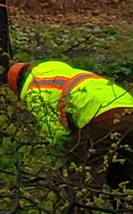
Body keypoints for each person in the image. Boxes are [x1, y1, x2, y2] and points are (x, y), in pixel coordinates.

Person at [7, 56, 133, 186]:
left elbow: (56, 133)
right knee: (123, 173)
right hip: (129, 108)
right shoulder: (65, 73)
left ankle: (81, 198)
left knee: (83, 175)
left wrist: (69, 151)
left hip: (101, 116)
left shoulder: (34, 91)